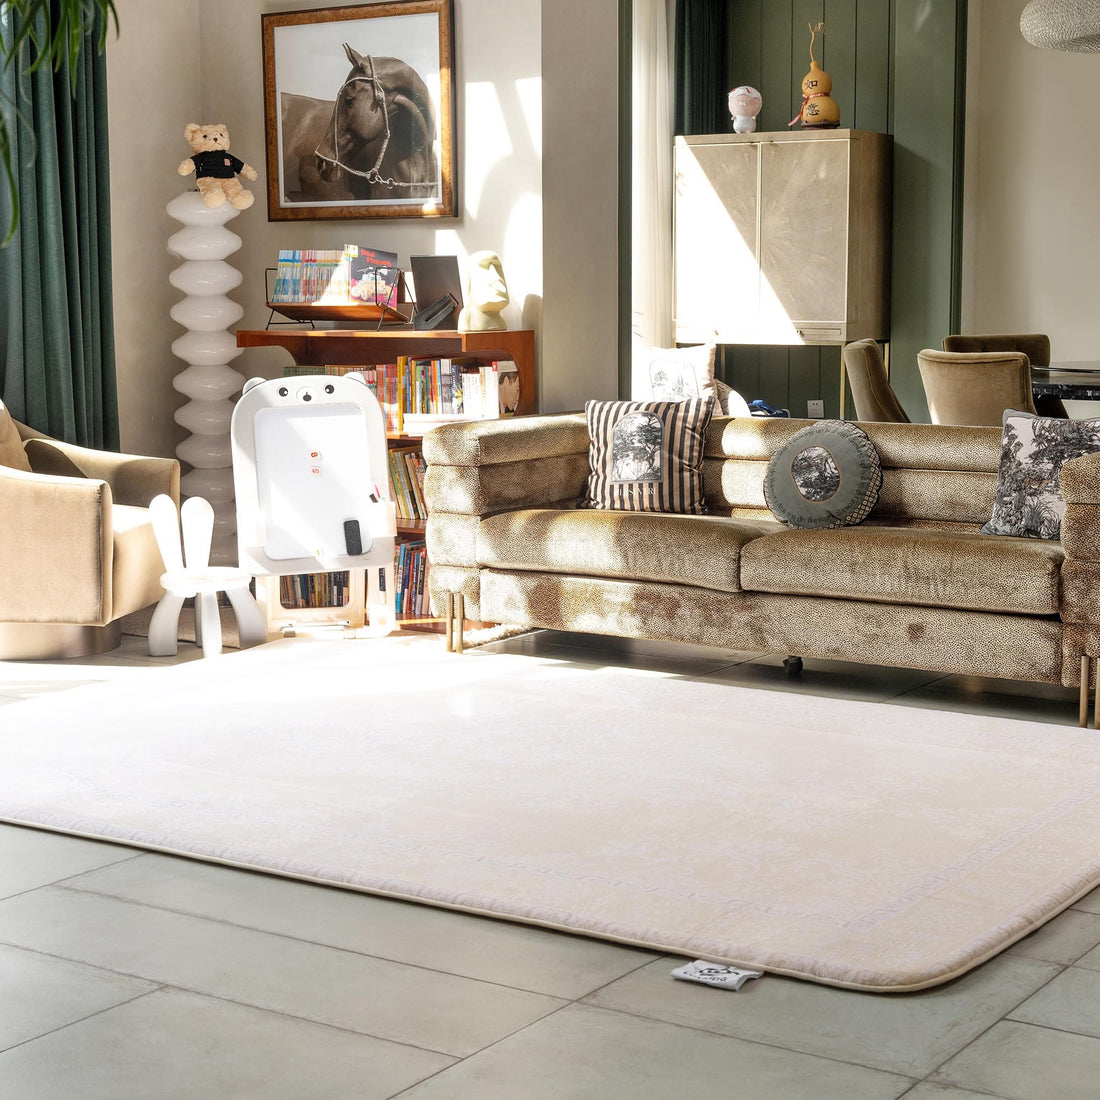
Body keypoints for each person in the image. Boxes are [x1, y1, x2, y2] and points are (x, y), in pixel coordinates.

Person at [458, 251, 509, 332]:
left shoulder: (501, 319)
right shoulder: (467, 319)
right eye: (485, 267)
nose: (497, 278)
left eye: (497, 268)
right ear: (468, 280)